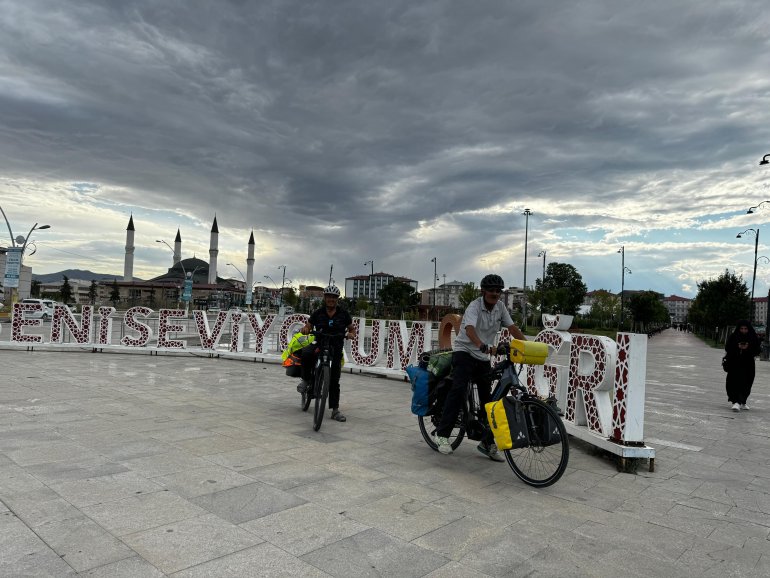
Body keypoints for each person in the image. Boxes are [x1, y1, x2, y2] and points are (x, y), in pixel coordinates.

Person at [433, 274, 527, 460]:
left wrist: (528, 345)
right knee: (458, 390)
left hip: (483, 356)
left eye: (498, 291)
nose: (494, 293)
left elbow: (512, 328)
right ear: (483, 291)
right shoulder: (474, 306)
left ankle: (486, 442)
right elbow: (469, 329)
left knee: (488, 401)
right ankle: (442, 435)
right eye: (491, 290)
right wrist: (482, 345)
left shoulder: (500, 307)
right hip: (465, 351)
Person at [296, 285, 356, 422]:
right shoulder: (318, 313)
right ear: (324, 298)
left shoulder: (344, 314)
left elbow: (352, 329)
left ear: (337, 299)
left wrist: (351, 334)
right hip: (320, 345)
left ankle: (335, 410)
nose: (331, 299)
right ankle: (305, 380)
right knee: (305, 353)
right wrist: (305, 329)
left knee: (334, 380)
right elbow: (308, 325)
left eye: (334, 297)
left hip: (335, 348)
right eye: (328, 296)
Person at [724, 320, 761, 411]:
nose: (743, 331)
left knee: (747, 383)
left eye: (745, 329)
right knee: (733, 382)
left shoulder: (753, 337)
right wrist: (737, 347)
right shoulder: (734, 336)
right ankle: (736, 401)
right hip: (735, 364)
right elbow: (727, 347)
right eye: (741, 329)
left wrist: (748, 347)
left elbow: (757, 350)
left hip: (748, 365)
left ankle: (742, 401)